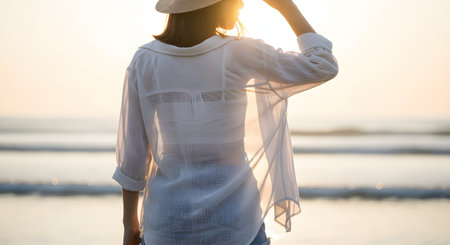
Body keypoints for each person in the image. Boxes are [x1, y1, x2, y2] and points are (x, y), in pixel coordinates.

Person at [112, 0, 338, 244]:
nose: (241, 5)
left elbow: (134, 158)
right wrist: (286, 6)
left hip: (168, 224)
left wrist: (130, 228)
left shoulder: (144, 61)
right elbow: (322, 65)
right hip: (236, 222)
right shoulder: (240, 52)